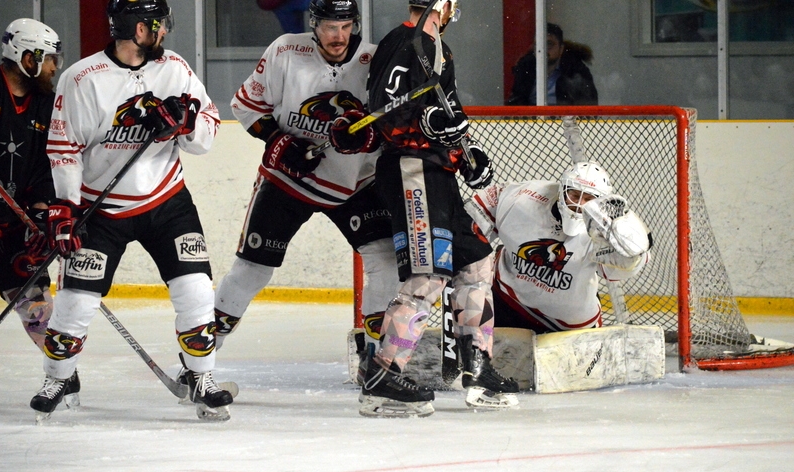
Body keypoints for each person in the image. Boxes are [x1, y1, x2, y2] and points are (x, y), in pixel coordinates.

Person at [32, 0, 231, 422]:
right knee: (76, 304)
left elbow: (206, 134)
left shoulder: (175, 68)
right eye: (158, 26)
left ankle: (201, 376)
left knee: (195, 290)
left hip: (167, 201)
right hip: (99, 208)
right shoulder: (82, 79)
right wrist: (65, 208)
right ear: (140, 30)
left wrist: (185, 123)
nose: (165, 34)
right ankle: (60, 377)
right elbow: (64, 149)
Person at [351, 0, 519, 418]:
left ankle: (477, 368)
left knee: (477, 260)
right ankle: (383, 374)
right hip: (411, 170)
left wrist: (466, 156)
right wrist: (426, 126)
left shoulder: (438, 47)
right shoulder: (404, 42)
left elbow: (445, 117)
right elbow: (383, 114)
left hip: (436, 171)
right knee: (428, 275)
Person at [213, 0, 399, 370]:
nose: (339, 36)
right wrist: (279, 142)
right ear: (314, 25)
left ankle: (374, 362)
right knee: (252, 271)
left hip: (355, 184)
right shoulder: (285, 50)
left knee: (385, 261)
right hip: (288, 180)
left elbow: (392, 125)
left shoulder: (375, 61)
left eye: (346, 27)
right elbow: (246, 105)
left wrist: (370, 140)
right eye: (331, 27)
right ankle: (201, 352)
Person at [465, 161, 652, 334]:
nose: (579, 204)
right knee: (486, 365)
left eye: (588, 198)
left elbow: (618, 271)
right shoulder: (521, 199)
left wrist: (634, 254)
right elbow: (470, 221)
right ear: (562, 190)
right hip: (508, 300)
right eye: (575, 195)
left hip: (570, 325)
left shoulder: (608, 231)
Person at [0, 19, 62, 363]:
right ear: (27, 57)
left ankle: (62, 373)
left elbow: (49, 164)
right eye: (49, 58)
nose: (54, 67)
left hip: (12, 223)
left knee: (36, 303)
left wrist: (40, 206)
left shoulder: (45, 105)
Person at [507, 23, 598, 106]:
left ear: (561, 48)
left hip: (565, 121)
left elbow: (588, 107)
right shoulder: (526, 69)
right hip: (531, 121)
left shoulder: (575, 70)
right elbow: (515, 103)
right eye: (538, 44)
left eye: (549, 44)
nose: (543, 49)